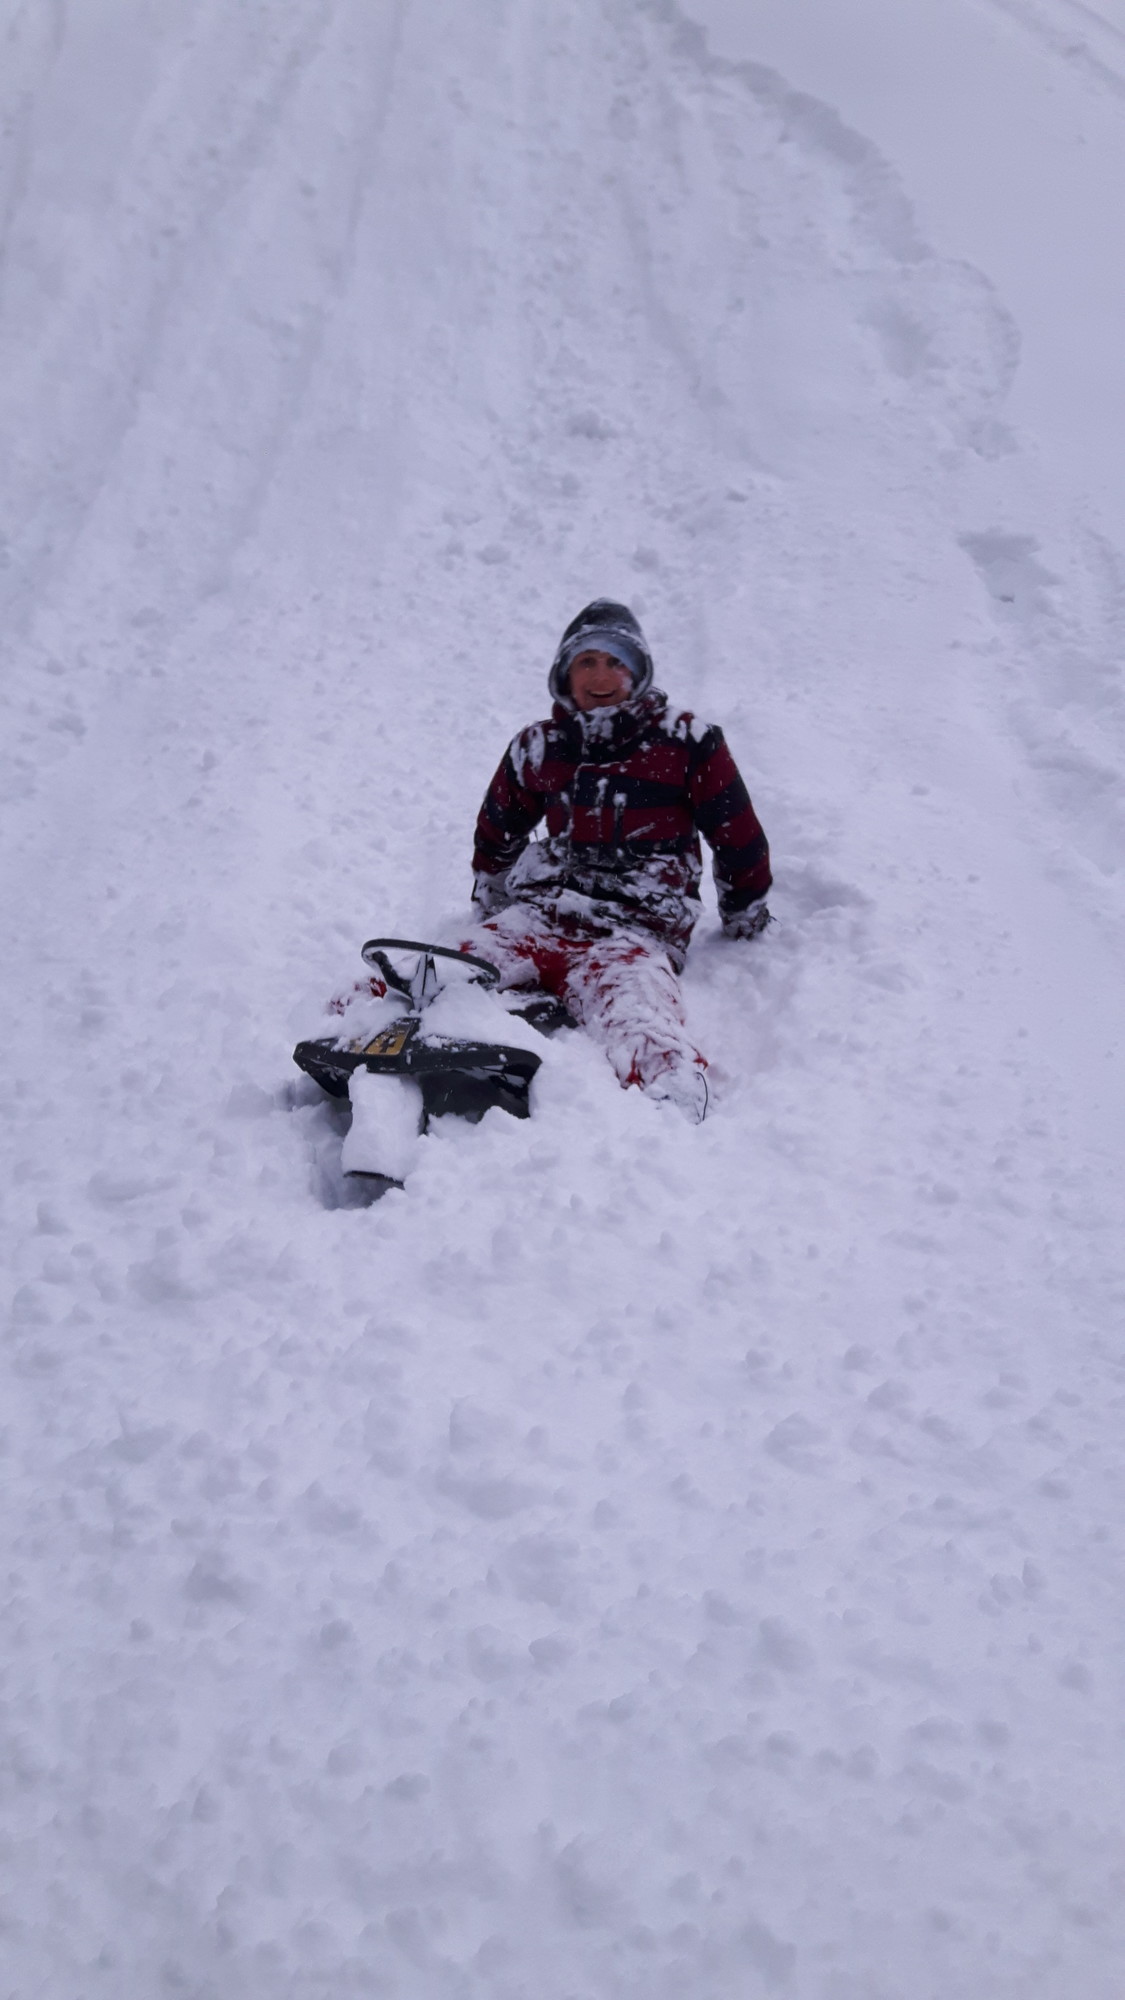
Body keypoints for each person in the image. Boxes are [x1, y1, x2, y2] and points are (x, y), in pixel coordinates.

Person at [460, 599, 771, 1122]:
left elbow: (736, 834)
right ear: (565, 674)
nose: (601, 677)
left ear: (638, 672)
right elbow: (498, 828)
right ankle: (364, 1031)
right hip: (542, 916)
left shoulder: (688, 742)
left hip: (635, 931)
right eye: (586, 662)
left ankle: (671, 1099)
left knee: (638, 1018)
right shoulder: (540, 746)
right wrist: (491, 901)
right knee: (442, 970)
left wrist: (745, 910)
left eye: (615, 662)